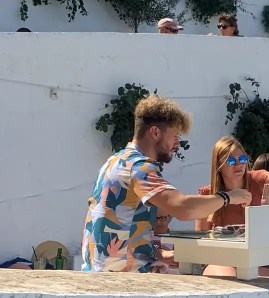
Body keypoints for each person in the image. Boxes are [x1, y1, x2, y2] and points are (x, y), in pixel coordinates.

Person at [82, 96, 251, 273]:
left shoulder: (116, 161)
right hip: (121, 281)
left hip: (101, 273)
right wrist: (229, 197)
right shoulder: (138, 167)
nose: (178, 143)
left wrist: (157, 253)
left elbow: (122, 224)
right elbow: (183, 208)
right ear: (155, 132)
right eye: (175, 136)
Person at [195, 137, 269, 278]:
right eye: (231, 161)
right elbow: (201, 243)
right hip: (223, 258)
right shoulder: (209, 196)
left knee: (255, 281)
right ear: (219, 165)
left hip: (262, 259)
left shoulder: (260, 180)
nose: (238, 165)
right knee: (225, 277)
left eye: (243, 159)